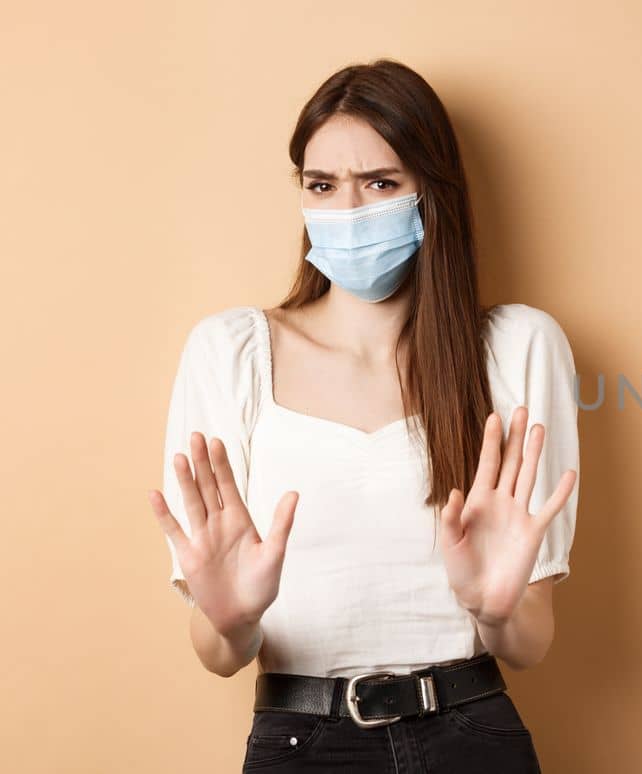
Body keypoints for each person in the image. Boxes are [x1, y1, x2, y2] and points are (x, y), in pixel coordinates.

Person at [144, 58, 578, 773]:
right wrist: (230, 619)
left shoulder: (516, 350)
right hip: (299, 742)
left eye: (380, 183)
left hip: (472, 735)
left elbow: (529, 646)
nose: (348, 212)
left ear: (431, 193)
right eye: (322, 186)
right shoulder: (229, 352)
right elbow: (219, 656)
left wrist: (498, 612)